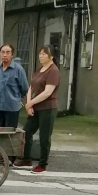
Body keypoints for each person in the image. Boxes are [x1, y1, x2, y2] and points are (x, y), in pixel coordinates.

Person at [14, 45, 60, 174]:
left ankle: (42, 164)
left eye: (44, 54)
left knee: (45, 137)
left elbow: (47, 92)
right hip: (35, 107)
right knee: (26, 132)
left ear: (51, 56)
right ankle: (26, 159)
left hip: (47, 108)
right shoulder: (40, 69)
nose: (41, 56)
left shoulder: (53, 71)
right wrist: (29, 103)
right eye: (40, 53)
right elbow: (31, 87)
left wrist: (30, 103)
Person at [0, 44, 29, 164]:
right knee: (0, 132)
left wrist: (17, 98)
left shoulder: (18, 69)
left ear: (12, 55)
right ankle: (1, 155)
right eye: (2, 52)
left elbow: (24, 87)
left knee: (10, 133)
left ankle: (10, 157)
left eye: (8, 52)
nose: (5, 55)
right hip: (0, 105)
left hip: (12, 106)